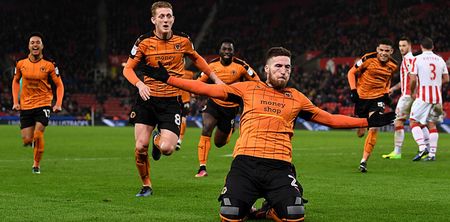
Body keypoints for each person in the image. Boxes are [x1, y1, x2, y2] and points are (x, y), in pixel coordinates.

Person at [142, 47, 395, 221]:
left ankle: (269, 210)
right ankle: (247, 204)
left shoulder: (296, 97)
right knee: (229, 214)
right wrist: (168, 79)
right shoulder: (247, 89)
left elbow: (328, 119)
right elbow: (204, 88)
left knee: (295, 214)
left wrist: (367, 120)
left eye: (287, 67)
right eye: (278, 66)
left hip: (280, 166)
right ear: (266, 68)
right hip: (245, 164)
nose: (284, 70)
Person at [122, 1, 223, 197]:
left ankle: (157, 138)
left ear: (173, 19)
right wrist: (140, 84)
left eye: (169, 16)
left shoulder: (183, 40)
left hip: (171, 101)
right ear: (154, 20)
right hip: (147, 99)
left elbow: (197, 58)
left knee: (167, 149)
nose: (166, 19)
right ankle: (147, 185)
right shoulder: (143, 42)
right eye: (161, 16)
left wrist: (215, 78)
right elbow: (128, 69)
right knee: (140, 147)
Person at [194, 38, 260, 177]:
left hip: (230, 108)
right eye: (224, 49)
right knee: (206, 128)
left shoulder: (241, 66)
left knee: (219, 143)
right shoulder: (211, 66)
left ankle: (230, 130)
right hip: (213, 104)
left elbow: (257, 82)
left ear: (233, 52)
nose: (227, 52)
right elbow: (199, 82)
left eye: (229, 50)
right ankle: (202, 167)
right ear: (219, 51)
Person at [11, 32, 64, 174]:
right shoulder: (21, 64)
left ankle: (36, 165)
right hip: (26, 105)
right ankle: (31, 141)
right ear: (29, 46)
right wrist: (15, 102)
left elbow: (59, 85)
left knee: (38, 134)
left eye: (38, 42)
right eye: (32, 42)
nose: (35, 44)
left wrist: (58, 103)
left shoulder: (50, 65)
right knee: (27, 140)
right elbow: (15, 81)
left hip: (43, 103)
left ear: (42, 46)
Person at [347, 38, 398, 173]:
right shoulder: (367, 58)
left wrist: (386, 93)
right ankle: (362, 128)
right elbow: (351, 72)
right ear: (377, 50)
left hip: (378, 98)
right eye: (381, 50)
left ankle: (363, 161)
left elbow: (388, 80)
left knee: (374, 127)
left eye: (387, 51)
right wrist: (353, 91)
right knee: (361, 131)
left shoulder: (393, 65)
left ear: (391, 51)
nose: (383, 53)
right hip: (362, 98)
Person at [382, 37, 430, 159]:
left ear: (409, 46)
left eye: (404, 45)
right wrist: (393, 88)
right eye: (400, 46)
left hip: (408, 96)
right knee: (420, 123)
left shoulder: (408, 60)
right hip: (415, 94)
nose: (402, 48)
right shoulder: (412, 59)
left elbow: (414, 79)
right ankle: (428, 149)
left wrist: (412, 92)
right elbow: (406, 80)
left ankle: (397, 152)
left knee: (398, 121)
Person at [409, 37, 449, 161]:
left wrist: (412, 91)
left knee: (413, 121)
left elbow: (413, 79)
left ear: (421, 47)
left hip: (423, 96)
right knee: (431, 124)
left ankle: (422, 148)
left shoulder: (417, 59)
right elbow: (447, 79)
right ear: (433, 47)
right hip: (437, 97)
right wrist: (436, 84)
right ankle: (432, 154)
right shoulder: (440, 59)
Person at [176, 69, 195, 151]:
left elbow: (192, 85)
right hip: (175, 99)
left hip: (185, 100)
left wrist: (193, 95)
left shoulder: (190, 73)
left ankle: (179, 140)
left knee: (183, 119)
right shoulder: (173, 71)